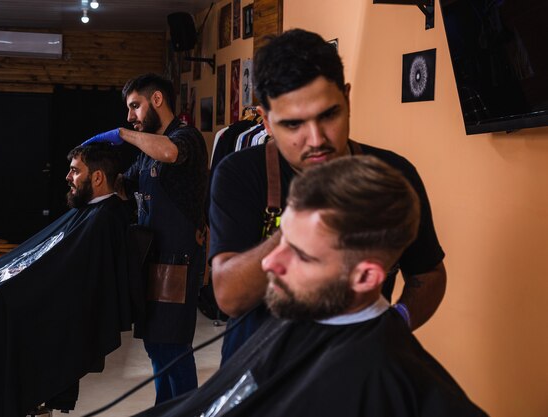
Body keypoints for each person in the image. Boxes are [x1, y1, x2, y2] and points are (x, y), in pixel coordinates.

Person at [132, 156, 486, 417]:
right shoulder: (294, 324)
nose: (269, 264)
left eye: (301, 255)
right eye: (280, 241)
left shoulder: (400, 389)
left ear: (365, 278)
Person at [210, 28, 447, 364]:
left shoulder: (392, 175)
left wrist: (396, 324)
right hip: (259, 372)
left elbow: (428, 274)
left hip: (355, 365)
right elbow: (229, 297)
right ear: (265, 121)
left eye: (329, 115)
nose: (316, 139)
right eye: (293, 125)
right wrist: (301, 229)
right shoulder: (240, 174)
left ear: (347, 99)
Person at [0, 143, 147, 417]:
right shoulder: (92, 213)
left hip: (17, 308)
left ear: (98, 177)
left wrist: (7, 293)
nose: (67, 178)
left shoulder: (104, 221)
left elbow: (66, 284)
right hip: (5, 295)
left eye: (75, 171)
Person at [84, 73, 209, 404]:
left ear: (157, 100)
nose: (130, 117)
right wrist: (89, 175)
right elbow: (126, 187)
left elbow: (169, 153)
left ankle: (187, 411)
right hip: (151, 261)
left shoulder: (187, 138)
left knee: (172, 349)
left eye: (135, 106)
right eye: (128, 111)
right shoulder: (145, 151)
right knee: (156, 347)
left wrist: (123, 135)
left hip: (178, 265)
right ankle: (164, 409)